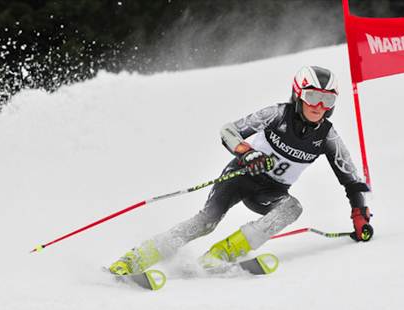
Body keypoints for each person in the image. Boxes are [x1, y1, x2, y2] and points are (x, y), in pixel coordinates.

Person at [109, 66, 373, 275]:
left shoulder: (328, 137)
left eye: (327, 99)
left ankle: (221, 255)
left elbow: (349, 177)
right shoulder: (277, 114)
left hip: (270, 191)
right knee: (206, 222)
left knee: (293, 208)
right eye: (312, 96)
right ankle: (135, 258)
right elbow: (228, 131)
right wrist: (247, 153)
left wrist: (359, 213)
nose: (319, 106)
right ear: (298, 94)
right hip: (240, 176)